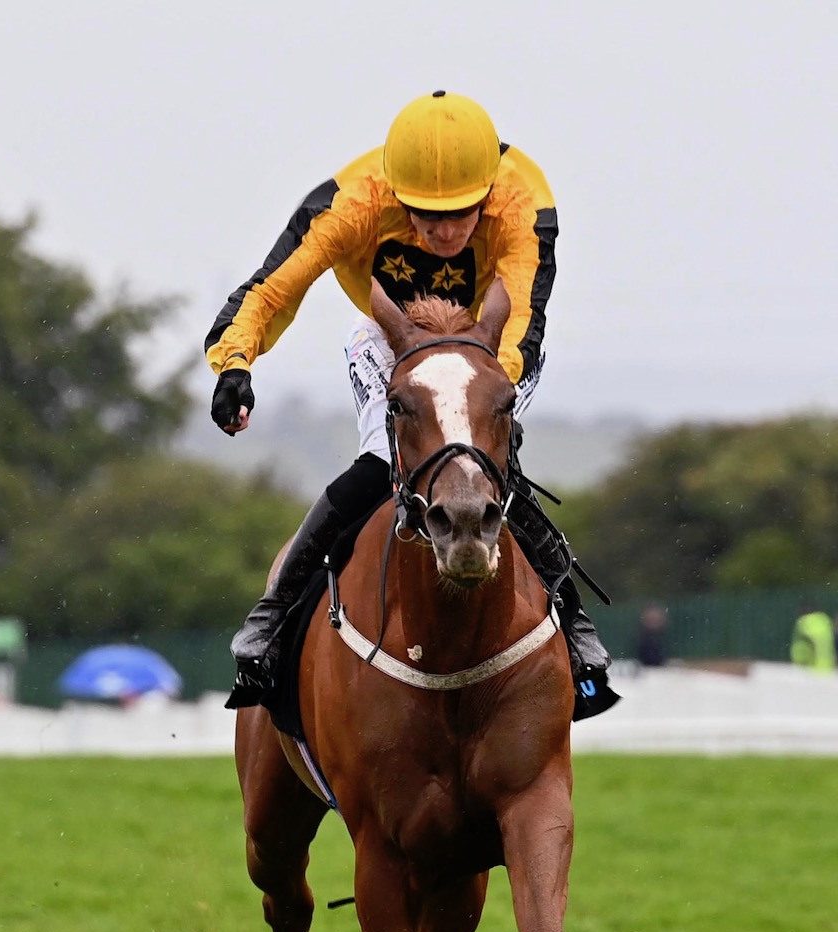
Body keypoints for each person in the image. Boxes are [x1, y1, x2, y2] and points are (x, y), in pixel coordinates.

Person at [204, 90, 616, 718]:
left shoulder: (524, 198)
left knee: (484, 460)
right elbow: (271, 288)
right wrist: (235, 362)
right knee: (382, 460)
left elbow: (524, 318)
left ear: (489, 191)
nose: (447, 231)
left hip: (488, 340)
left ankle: (573, 622)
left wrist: (473, 399)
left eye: (463, 214)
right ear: (396, 193)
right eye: (427, 215)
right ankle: (273, 616)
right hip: (391, 340)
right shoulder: (351, 201)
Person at [791, 604, 837, 672]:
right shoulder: (824, 619)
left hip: (810, 666)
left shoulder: (805, 621)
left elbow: (809, 639)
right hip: (827, 665)